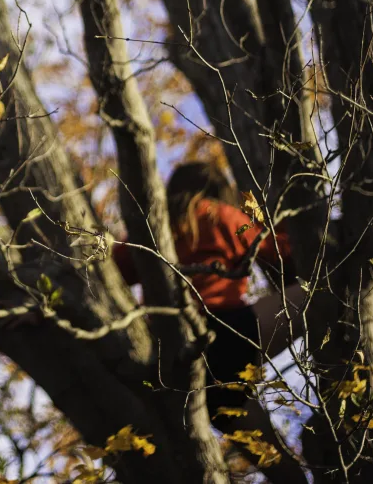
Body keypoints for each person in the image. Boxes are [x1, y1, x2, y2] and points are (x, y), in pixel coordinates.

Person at [114, 161, 309, 483]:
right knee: (324, 292)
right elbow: (279, 249)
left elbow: (107, 270)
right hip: (227, 333)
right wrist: (296, 223)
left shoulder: (149, 230)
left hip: (182, 365)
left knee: (282, 471)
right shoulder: (221, 214)